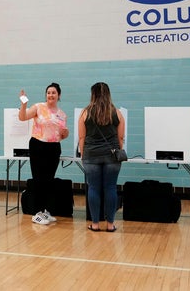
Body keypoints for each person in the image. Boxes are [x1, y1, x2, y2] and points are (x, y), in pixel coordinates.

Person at [18, 83, 69, 225]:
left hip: (54, 148)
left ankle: (46, 211)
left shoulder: (62, 114)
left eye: (53, 92)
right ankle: (37, 212)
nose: (50, 95)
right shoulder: (38, 107)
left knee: (49, 180)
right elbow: (22, 117)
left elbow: (62, 134)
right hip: (38, 145)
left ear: (59, 95)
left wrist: (66, 134)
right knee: (38, 179)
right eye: (48, 92)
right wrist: (24, 103)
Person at [78, 82, 125, 232]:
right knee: (110, 188)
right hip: (112, 156)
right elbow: (121, 138)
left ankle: (95, 224)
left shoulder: (85, 113)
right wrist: (117, 150)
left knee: (93, 188)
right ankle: (110, 225)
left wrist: (83, 154)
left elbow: (81, 138)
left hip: (91, 155)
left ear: (93, 94)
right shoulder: (117, 112)